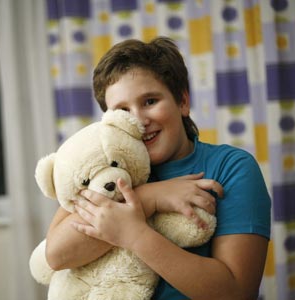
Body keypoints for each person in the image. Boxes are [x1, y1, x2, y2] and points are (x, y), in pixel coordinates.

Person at [45, 37, 271, 299]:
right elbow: (56, 254)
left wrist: (135, 235)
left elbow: (237, 292)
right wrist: (150, 197)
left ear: (183, 101)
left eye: (150, 101)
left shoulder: (231, 168)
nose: (139, 120)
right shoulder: (107, 170)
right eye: (122, 110)